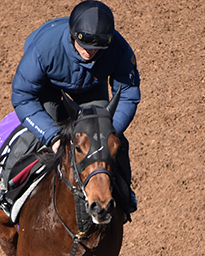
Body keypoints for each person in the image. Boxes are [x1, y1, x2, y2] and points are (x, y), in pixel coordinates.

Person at [11, 0, 140, 216]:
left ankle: (126, 196)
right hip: (49, 88)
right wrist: (51, 136)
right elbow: (23, 96)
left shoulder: (118, 48)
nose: (91, 51)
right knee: (35, 139)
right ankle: (10, 189)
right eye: (85, 43)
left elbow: (128, 94)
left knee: (115, 143)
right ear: (72, 36)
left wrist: (110, 130)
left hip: (91, 88)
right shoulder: (45, 49)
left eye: (98, 46)